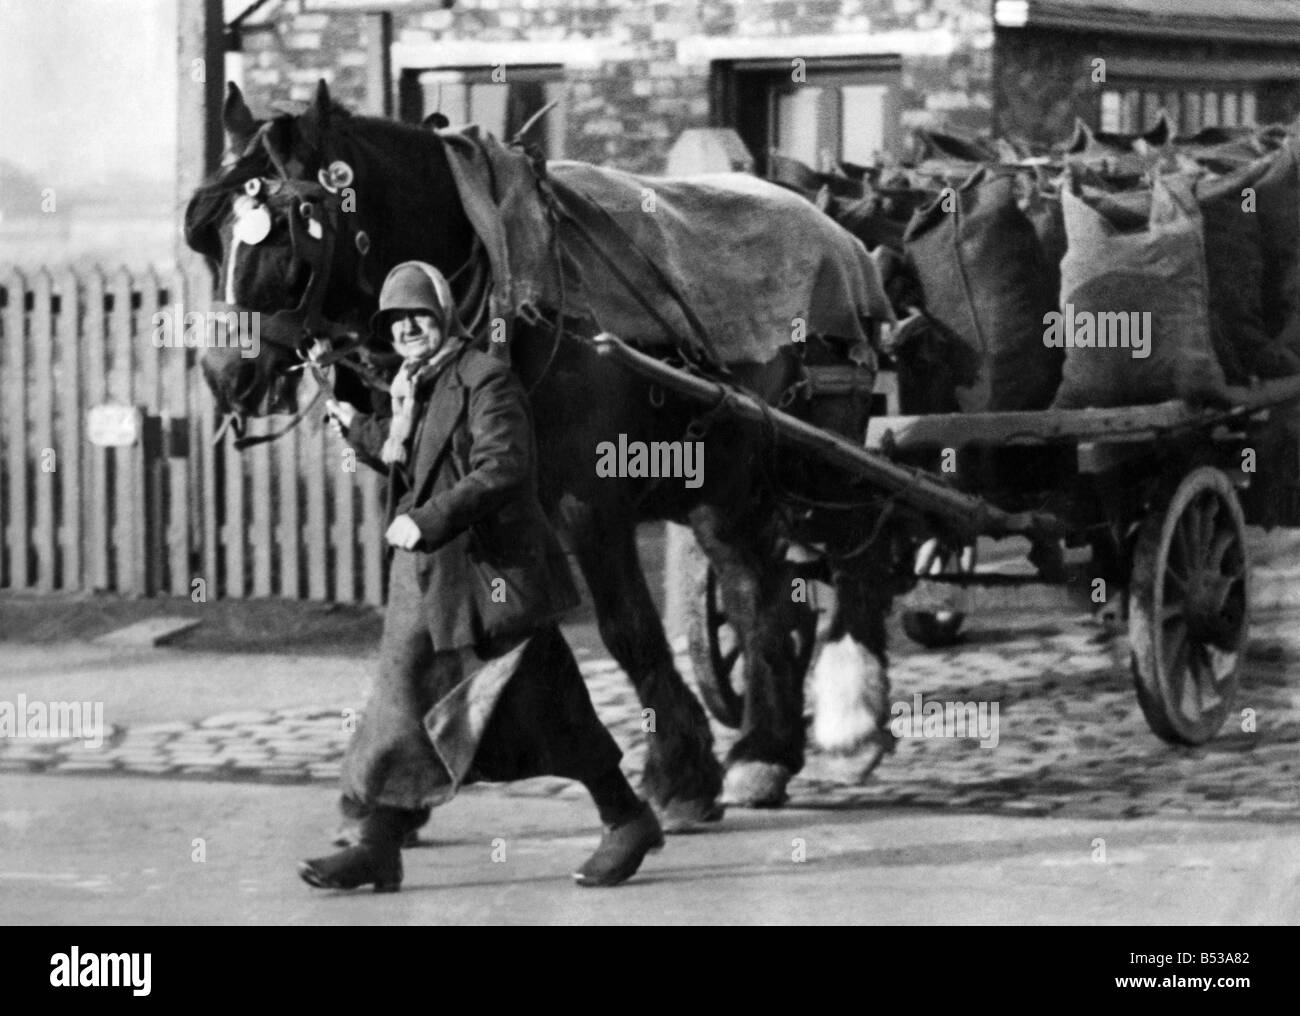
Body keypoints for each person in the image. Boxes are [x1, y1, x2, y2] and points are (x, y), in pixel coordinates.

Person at [298, 261, 663, 892]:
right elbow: (409, 452)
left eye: (418, 315)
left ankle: (626, 817)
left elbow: (502, 468)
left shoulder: (485, 380)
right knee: (401, 707)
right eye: (396, 320)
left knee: (552, 712)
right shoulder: (416, 385)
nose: (408, 328)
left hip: (495, 581)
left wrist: (428, 519)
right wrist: (355, 427)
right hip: (432, 581)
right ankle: (378, 845)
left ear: (443, 315)